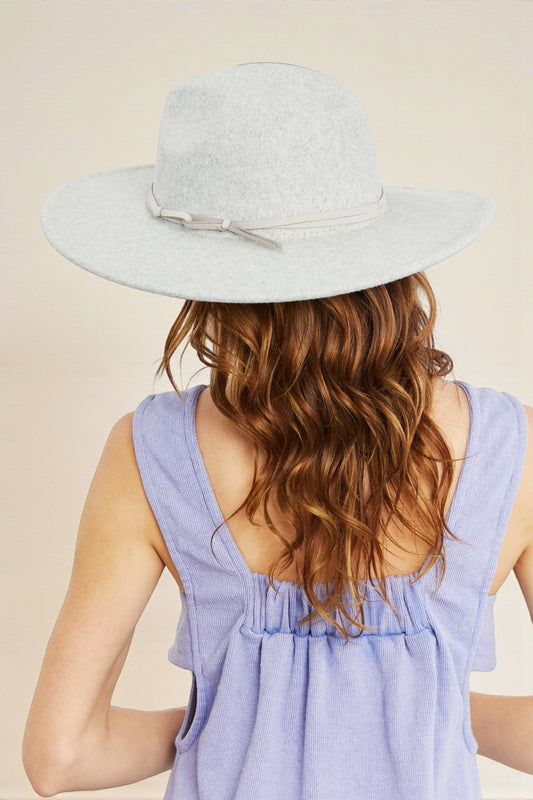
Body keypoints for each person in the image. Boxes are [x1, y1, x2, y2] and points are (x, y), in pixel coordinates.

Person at [23, 61, 533, 799]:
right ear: (382, 253)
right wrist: (441, 715)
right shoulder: (508, 447)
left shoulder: (150, 451)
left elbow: (61, 757)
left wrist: (226, 718)